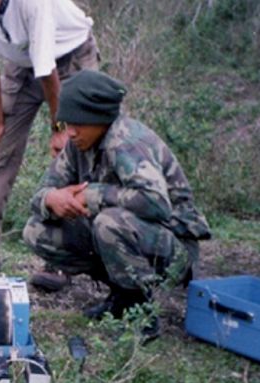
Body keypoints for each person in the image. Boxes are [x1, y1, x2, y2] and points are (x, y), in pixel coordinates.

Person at [22, 70, 211, 331]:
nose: (72, 132)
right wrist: (53, 199)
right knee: (37, 230)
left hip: (172, 247)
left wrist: (92, 195)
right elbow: (41, 192)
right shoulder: (78, 144)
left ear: (101, 118)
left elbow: (156, 203)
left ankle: (140, 310)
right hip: (127, 236)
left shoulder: (127, 143)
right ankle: (122, 295)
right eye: (67, 123)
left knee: (108, 223)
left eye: (79, 123)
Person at [0, 0, 100, 275]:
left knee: (75, 152)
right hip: (22, 60)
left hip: (70, 53)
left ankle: (63, 259)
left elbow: (47, 69)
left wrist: (59, 128)